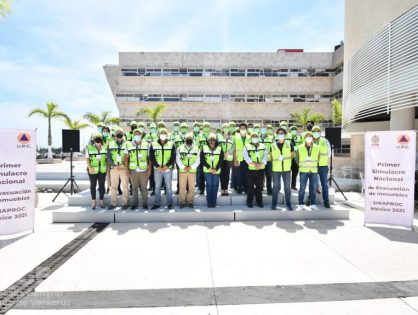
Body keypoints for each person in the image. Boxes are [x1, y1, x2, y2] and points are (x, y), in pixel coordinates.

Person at [149, 128, 176, 210]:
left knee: (168, 186)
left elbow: (173, 157)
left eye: (164, 133)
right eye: (161, 133)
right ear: (158, 134)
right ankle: (157, 203)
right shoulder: (153, 144)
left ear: (167, 134)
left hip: (168, 169)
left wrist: (167, 166)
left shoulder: (172, 144)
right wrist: (158, 166)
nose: (163, 134)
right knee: (157, 186)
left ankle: (170, 203)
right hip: (157, 169)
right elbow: (151, 157)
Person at [125, 129, 151, 210]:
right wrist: (127, 169)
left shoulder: (146, 144)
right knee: (134, 187)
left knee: (144, 187)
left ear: (141, 135)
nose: (137, 135)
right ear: (133, 135)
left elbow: (149, 158)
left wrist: (149, 169)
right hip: (133, 170)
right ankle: (134, 204)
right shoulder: (128, 144)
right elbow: (126, 158)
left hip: (143, 170)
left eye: (139, 134)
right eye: (135, 134)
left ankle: (145, 203)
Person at [271, 128, 295, 210]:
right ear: (277, 134)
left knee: (287, 187)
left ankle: (288, 204)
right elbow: (271, 156)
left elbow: (292, 155)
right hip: (276, 169)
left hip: (286, 169)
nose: (281, 135)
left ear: (285, 135)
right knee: (276, 187)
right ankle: (274, 204)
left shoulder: (290, 144)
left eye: (282, 133)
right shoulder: (273, 145)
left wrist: (285, 159)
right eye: (279, 133)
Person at [296, 132, 320, 211]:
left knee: (313, 188)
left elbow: (318, 158)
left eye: (310, 136)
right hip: (303, 170)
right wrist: (301, 164)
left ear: (313, 138)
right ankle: (300, 204)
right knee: (302, 188)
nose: (308, 137)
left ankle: (313, 204)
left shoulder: (317, 147)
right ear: (304, 138)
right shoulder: (300, 147)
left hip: (313, 170)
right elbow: (297, 158)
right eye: (307, 136)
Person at [107, 128, 130, 210]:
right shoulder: (110, 143)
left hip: (123, 168)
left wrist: (126, 168)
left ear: (123, 134)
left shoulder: (127, 144)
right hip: (114, 168)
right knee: (113, 186)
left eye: (120, 133)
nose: (119, 135)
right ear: (115, 135)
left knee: (125, 186)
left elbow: (129, 156)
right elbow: (108, 156)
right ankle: (113, 203)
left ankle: (125, 202)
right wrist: (114, 165)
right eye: (117, 133)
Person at [244, 132, 268, 208]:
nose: (255, 138)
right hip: (251, 169)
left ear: (258, 138)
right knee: (250, 186)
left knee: (259, 186)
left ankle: (259, 202)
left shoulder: (263, 146)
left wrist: (260, 164)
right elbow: (245, 156)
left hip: (260, 169)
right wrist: (253, 164)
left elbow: (265, 156)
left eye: (256, 136)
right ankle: (249, 202)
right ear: (251, 138)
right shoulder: (247, 146)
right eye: (253, 136)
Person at [177, 133, 200, 208]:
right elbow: (177, 159)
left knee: (191, 187)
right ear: (185, 139)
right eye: (187, 138)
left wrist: (191, 167)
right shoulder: (180, 148)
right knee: (182, 187)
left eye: (190, 138)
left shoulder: (196, 148)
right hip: (182, 170)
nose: (189, 139)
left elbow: (198, 160)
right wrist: (183, 167)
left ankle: (190, 201)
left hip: (192, 171)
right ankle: (182, 202)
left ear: (193, 139)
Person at [201, 133, 224, 207]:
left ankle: (213, 202)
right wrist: (209, 168)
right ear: (208, 141)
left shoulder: (220, 149)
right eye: (210, 140)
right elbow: (202, 159)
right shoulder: (204, 148)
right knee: (209, 185)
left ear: (216, 141)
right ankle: (209, 202)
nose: (212, 141)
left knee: (215, 186)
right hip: (207, 171)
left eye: (213, 140)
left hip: (216, 171)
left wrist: (216, 169)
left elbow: (221, 160)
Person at [86, 132, 108, 209]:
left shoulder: (105, 147)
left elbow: (107, 159)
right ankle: (93, 201)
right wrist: (89, 167)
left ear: (101, 139)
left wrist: (107, 169)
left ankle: (101, 201)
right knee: (93, 185)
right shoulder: (89, 147)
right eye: (96, 138)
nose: (98, 140)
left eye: (99, 138)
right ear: (93, 139)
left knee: (102, 186)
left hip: (102, 170)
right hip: (92, 170)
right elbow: (87, 158)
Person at [312, 125, 331, 208]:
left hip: (323, 166)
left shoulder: (325, 141)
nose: (316, 133)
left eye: (317, 131)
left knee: (324, 185)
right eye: (314, 131)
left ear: (320, 132)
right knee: (313, 184)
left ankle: (326, 201)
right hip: (314, 166)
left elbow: (329, 153)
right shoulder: (310, 142)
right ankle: (312, 200)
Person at [233, 123, 251, 194]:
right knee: (239, 175)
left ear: (246, 129)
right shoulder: (236, 137)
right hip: (239, 159)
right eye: (241, 128)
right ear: (239, 129)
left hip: (247, 159)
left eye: (244, 128)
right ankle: (239, 188)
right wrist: (235, 160)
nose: (243, 130)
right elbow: (234, 149)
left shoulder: (250, 137)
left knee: (247, 174)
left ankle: (246, 188)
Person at [218, 123, 234, 196]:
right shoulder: (219, 137)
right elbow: (217, 146)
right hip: (221, 158)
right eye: (224, 127)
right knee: (221, 174)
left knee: (227, 174)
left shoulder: (232, 137)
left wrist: (228, 152)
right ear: (222, 129)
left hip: (228, 158)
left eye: (227, 127)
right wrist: (222, 153)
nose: (226, 129)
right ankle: (222, 189)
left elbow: (233, 147)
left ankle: (226, 189)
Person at [259, 123, 274, 195]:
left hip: (268, 160)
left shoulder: (270, 138)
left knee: (269, 176)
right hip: (259, 160)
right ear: (260, 129)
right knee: (260, 175)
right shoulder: (257, 138)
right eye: (262, 128)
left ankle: (269, 190)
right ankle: (260, 188)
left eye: (265, 128)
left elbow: (273, 149)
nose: (263, 129)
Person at [197, 122, 211, 194]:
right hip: (201, 157)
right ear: (202, 128)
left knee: (209, 173)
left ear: (210, 128)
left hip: (209, 158)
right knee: (201, 174)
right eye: (205, 126)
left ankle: (209, 188)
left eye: (207, 126)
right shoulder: (199, 136)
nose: (206, 127)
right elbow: (196, 146)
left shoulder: (212, 136)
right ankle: (201, 189)